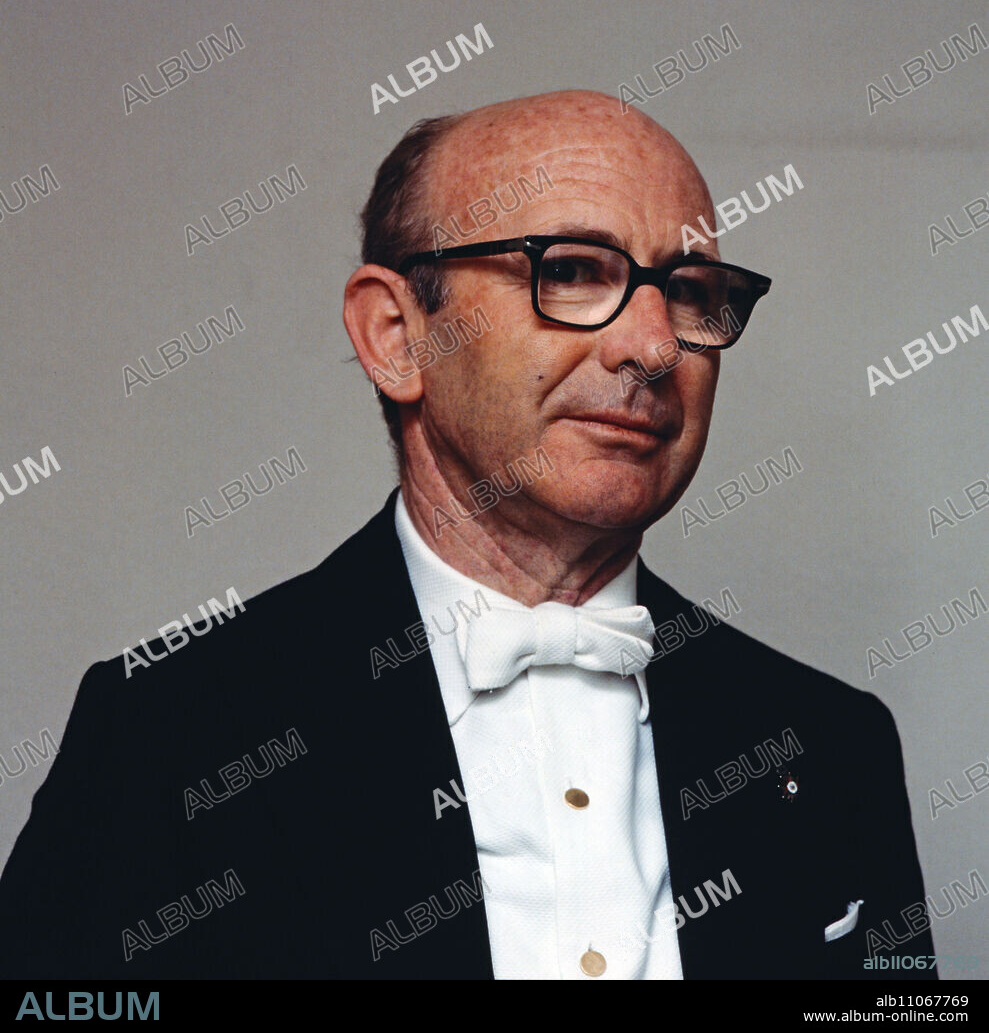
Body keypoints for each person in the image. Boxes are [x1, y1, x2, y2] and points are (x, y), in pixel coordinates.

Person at [0, 90, 934, 980]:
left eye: (690, 290)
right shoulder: (167, 734)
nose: (654, 347)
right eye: (572, 269)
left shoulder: (829, 744)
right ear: (395, 335)